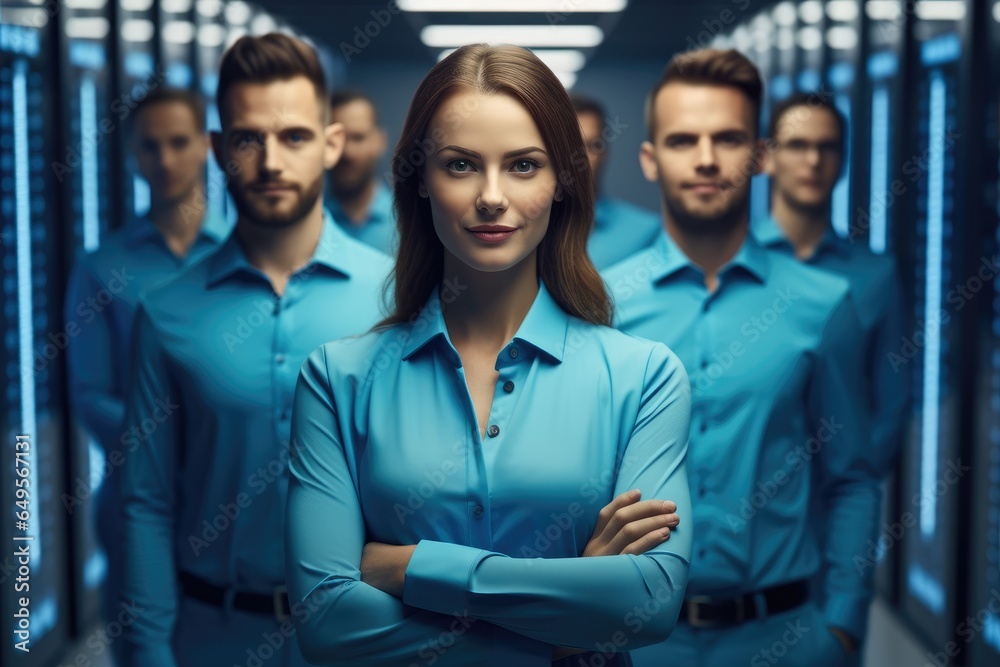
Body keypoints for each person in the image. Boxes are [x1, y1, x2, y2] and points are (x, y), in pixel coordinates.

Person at [285, 44, 692, 667]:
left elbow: (651, 603)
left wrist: (412, 567)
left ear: (562, 183)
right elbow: (327, 622)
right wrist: (564, 625)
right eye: (461, 165)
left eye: (525, 165)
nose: (492, 197)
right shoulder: (336, 379)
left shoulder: (645, 376)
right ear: (419, 179)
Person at [120, 33, 391, 667]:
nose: (271, 161)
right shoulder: (166, 313)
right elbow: (146, 502)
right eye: (248, 138)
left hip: (368, 640)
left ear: (330, 144)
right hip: (214, 640)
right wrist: (152, 654)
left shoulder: (395, 301)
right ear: (219, 150)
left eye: (294, 136)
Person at [604, 49, 880, 667]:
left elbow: (852, 477)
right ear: (650, 159)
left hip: (784, 640)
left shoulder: (823, 305)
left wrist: (842, 626)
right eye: (682, 140)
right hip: (640, 643)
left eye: (727, 138)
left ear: (759, 155)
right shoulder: (601, 305)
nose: (705, 159)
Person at [64, 86, 230, 663]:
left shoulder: (249, 256)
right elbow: (90, 394)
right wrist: (174, 443)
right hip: (140, 501)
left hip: (235, 499)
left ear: (207, 147)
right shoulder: (102, 268)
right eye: (150, 147)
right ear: (132, 156)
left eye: (179, 142)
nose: (165, 160)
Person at [757, 92, 907, 476]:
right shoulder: (734, 263)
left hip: (839, 494)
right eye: (797, 146)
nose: (813, 161)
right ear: (767, 157)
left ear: (843, 160)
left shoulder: (875, 274)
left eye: (827, 147)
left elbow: (891, 399)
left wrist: (854, 480)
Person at [572, 94, 661, 270]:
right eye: (567, 145)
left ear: (605, 153)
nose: (579, 159)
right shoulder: (522, 228)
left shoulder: (647, 232)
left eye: (592, 146)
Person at [326, 89, 397, 254]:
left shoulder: (412, 223)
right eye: (336, 140)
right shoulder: (306, 225)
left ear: (380, 141)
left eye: (358, 138)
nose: (347, 152)